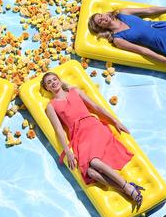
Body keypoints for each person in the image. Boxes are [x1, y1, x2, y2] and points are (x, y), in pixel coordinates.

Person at [42, 72, 144, 209]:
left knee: (94, 162)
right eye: (49, 82)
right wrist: (68, 151)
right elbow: (59, 130)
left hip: (93, 127)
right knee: (90, 173)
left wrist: (115, 121)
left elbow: (96, 107)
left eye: (55, 79)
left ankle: (128, 188)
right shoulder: (51, 106)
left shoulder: (75, 91)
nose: (53, 82)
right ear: (47, 88)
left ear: (60, 80)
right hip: (78, 136)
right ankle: (127, 188)